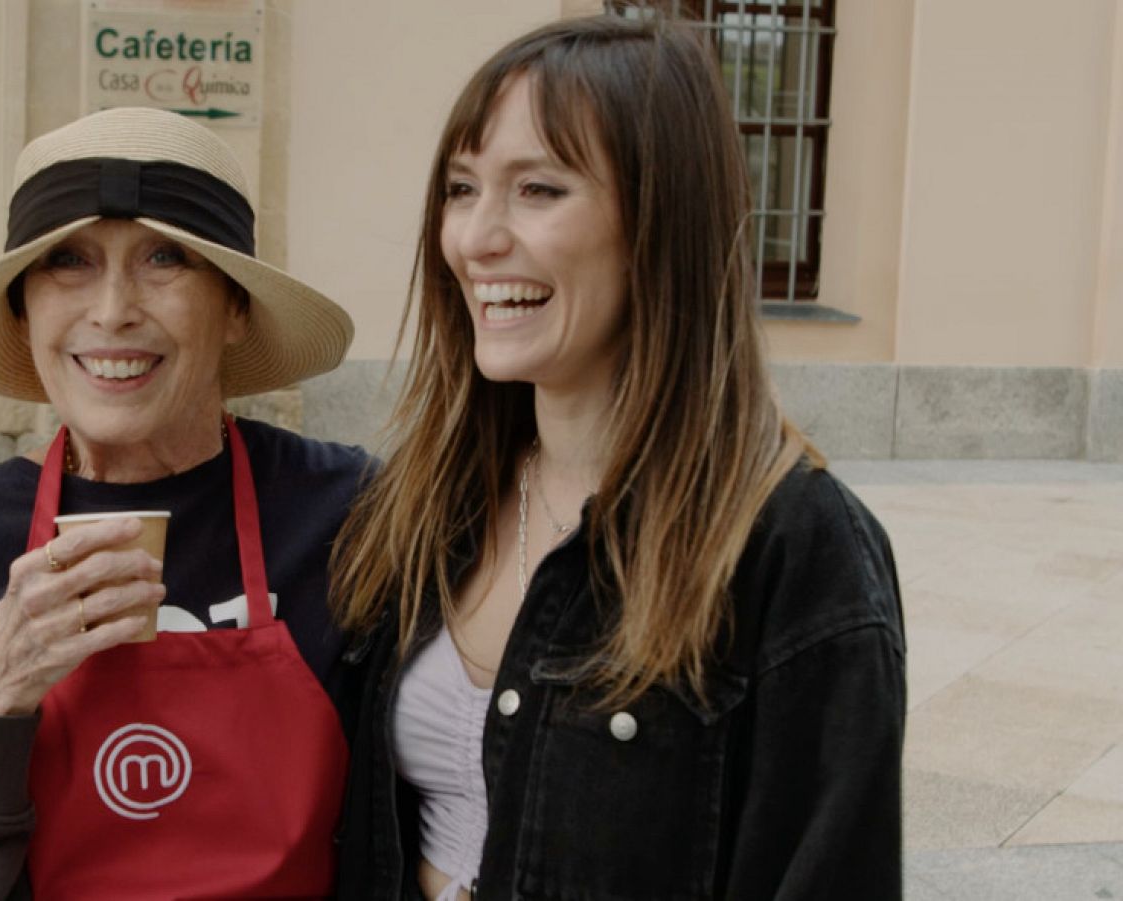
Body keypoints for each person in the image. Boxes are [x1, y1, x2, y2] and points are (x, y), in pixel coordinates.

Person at [330, 14, 904, 901]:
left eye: (538, 190)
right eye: (460, 187)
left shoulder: (793, 547)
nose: (475, 239)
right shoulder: (430, 499)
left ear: (659, 221)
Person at [0, 107, 369, 900]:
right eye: (69, 260)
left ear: (237, 307)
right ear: (22, 308)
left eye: (164, 258)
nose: (112, 310)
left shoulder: (352, 514)